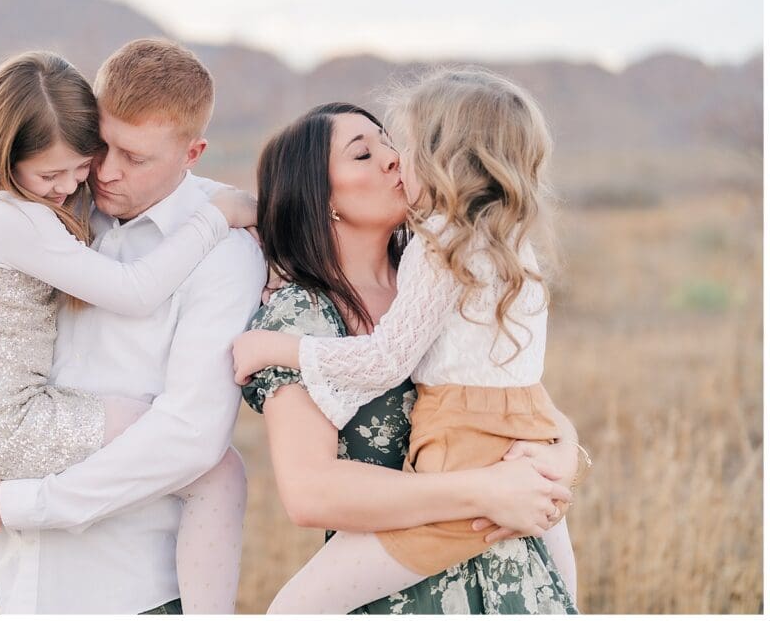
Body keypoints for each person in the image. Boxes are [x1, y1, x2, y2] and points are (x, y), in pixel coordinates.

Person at [0, 40, 267, 614]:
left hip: (121, 589)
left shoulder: (222, 257)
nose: (105, 174)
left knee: (222, 470)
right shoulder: (52, 201)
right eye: (102, 148)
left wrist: (20, 502)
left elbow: (189, 438)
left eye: (137, 158)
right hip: (7, 580)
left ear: (192, 152)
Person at [236, 98, 581, 614]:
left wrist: (566, 455)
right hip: (404, 591)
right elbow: (311, 493)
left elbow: (521, 395)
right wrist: (485, 491)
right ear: (321, 195)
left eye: (389, 142)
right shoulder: (300, 316)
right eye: (361, 154)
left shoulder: (448, 268)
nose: (392, 158)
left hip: (511, 572)